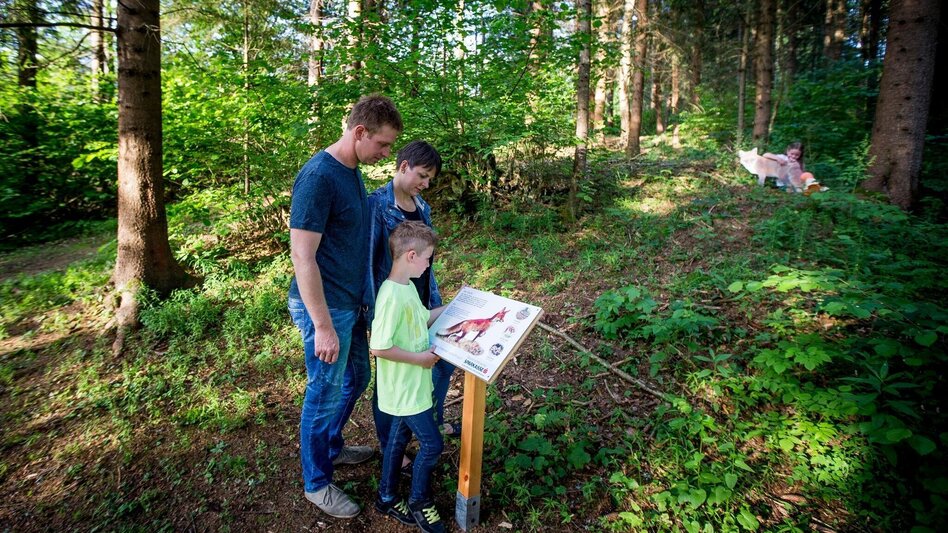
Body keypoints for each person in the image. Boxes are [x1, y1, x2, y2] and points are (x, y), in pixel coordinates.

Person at [287, 94, 402, 518]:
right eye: (383, 145)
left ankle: (331, 446)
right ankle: (316, 483)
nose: (387, 154)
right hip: (324, 308)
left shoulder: (351, 170)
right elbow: (303, 256)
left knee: (356, 378)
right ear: (360, 133)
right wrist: (323, 326)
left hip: (351, 305)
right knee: (324, 390)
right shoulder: (319, 177)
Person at [366, 140, 458, 474]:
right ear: (403, 166)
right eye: (422, 175)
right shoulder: (376, 205)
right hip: (393, 303)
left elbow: (425, 256)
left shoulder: (422, 205)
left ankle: (428, 423)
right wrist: (374, 308)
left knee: (441, 364)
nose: (426, 184)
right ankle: (391, 445)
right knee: (392, 380)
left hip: (423, 301)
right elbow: (370, 260)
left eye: (430, 179)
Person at [370, 221, 448, 533]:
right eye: (428, 258)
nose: (430, 263)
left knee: (398, 441)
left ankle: (387, 497)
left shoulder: (408, 289)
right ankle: (420, 501)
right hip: (405, 390)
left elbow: (422, 318)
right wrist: (420, 359)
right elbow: (379, 346)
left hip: (412, 388)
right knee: (432, 445)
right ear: (411, 256)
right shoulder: (391, 296)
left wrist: (452, 307)